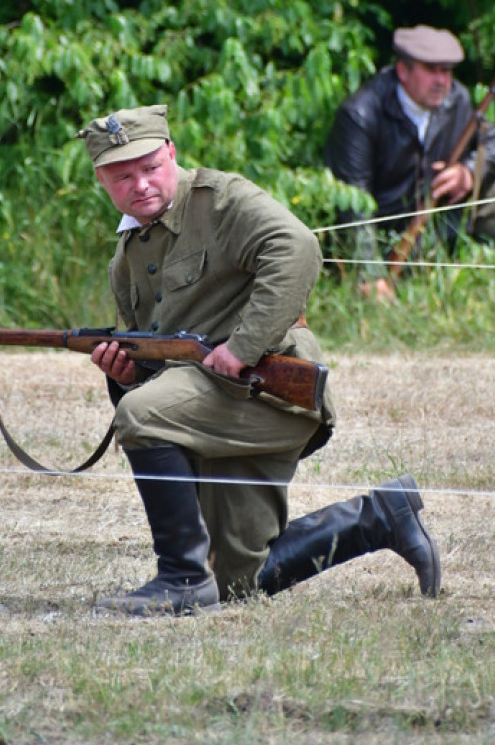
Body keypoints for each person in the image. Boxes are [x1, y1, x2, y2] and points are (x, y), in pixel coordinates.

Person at [76, 103, 441, 616]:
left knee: (140, 415)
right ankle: (382, 515)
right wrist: (128, 374)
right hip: (210, 407)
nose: (140, 184)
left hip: (269, 394)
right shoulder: (126, 258)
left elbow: (298, 248)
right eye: (123, 176)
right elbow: (155, 365)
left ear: (172, 154)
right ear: (101, 180)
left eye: (151, 167)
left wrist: (242, 348)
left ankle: (180, 579)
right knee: (239, 582)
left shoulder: (221, 200)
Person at [325, 25, 495, 298]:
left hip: (435, 225)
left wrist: (467, 173)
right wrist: (369, 272)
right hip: (384, 228)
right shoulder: (361, 114)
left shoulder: (456, 99)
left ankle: (481, 277)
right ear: (403, 71)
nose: (441, 81)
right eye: (431, 70)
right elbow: (354, 204)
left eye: (446, 71)